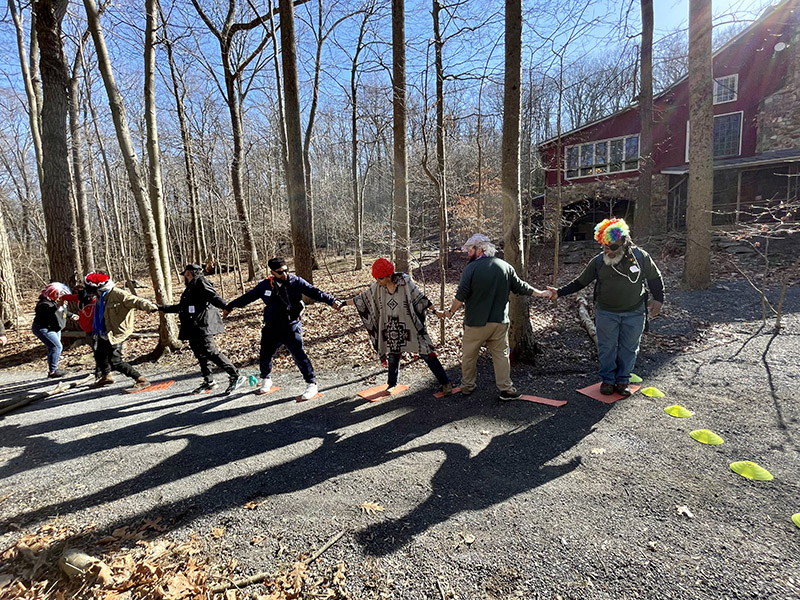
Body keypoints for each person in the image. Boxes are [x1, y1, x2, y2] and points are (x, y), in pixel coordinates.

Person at [545, 218, 664, 397]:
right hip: (606, 312)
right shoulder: (599, 261)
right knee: (607, 347)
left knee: (629, 347)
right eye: (605, 246)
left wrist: (659, 300)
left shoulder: (640, 257)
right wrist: (558, 292)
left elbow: (655, 278)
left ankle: (623, 380)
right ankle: (608, 380)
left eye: (613, 247)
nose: (608, 250)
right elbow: (580, 282)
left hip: (635, 311)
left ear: (624, 243)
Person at [442, 234, 550, 400]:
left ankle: (467, 386)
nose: (468, 253)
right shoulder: (505, 267)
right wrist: (541, 293)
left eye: (471, 249)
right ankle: (506, 388)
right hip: (499, 322)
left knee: (469, 355)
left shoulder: (471, 269)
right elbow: (521, 287)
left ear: (481, 249)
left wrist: (450, 312)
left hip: (476, 323)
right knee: (501, 355)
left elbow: (460, 296)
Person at [223, 257, 341, 400]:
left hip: (291, 325)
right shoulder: (265, 285)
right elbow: (248, 297)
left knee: (299, 355)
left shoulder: (296, 281)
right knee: (265, 354)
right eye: (280, 272)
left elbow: (315, 292)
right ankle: (266, 378)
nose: (284, 274)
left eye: (286, 270)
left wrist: (332, 301)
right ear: (272, 272)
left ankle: (311, 384)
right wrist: (230, 306)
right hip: (271, 326)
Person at [344, 258, 452, 396]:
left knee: (426, 352)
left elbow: (420, 298)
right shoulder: (378, 287)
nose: (378, 281)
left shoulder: (404, 283)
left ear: (389, 275)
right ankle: (392, 383)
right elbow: (362, 298)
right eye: (376, 278)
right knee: (393, 355)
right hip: (391, 326)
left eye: (380, 278)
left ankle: (445, 383)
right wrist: (343, 303)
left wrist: (436, 311)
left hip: (410, 325)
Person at [157, 264, 242, 395]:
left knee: (210, 351)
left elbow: (212, 296)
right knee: (200, 354)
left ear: (188, 273)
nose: (184, 277)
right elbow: (181, 307)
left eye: (185, 274)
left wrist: (226, 306)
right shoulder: (190, 288)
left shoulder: (201, 281)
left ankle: (235, 375)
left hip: (204, 325)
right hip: (193, 327)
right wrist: (161, 308)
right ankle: (209, 381)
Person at [86, 273, 159, 391]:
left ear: (98, 288)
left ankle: (141, 380)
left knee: (115, 361)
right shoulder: (100, 296)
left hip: (116, 332)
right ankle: (107, 376)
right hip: (103, 331)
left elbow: (135, 301)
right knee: (99, 354)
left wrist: (149, 306)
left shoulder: (118, 294)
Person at [31, 282, 78, 378]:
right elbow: (50, 312)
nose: (60, 297)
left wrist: (71, 315)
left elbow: (62, 312)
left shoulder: (55, 303)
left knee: (52, 348)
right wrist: (59, 305)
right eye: (59, 294)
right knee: (57, 347)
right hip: (44, 328)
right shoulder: (43, 304)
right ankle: (53, 371)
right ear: (53, 293)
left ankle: (53, 369)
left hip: (56, 328)